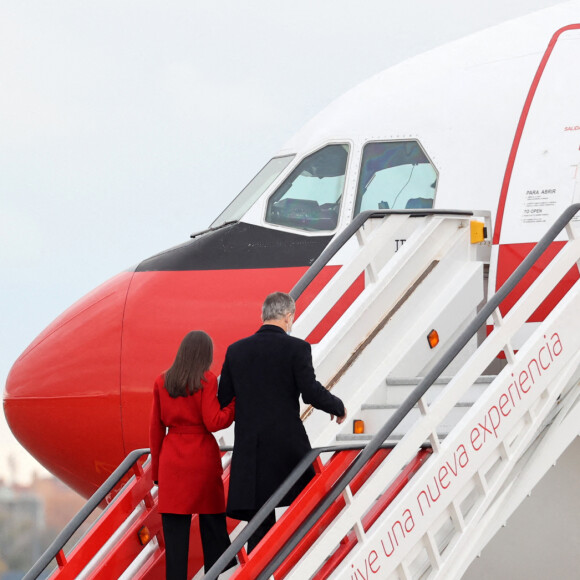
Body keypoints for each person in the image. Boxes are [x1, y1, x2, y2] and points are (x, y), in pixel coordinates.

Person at [218, 291, 347, 553]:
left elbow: (223, 399)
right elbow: (310, 391)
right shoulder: (297, 348)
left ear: (263, 316)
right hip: (286, 447)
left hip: (250, 451)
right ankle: (313, 555)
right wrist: (337, 406)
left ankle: (261, 570)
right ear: (288, 317)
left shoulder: (236, 351)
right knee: (311, 498)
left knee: (259, 520)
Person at [149, 330, 236, 579]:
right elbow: (213, 421)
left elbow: (155, 430)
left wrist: (157, 474)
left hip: (172, 462)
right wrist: (233, 406)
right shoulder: (207, 380)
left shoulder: (161, 381)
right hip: (202, 462)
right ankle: (216, 576)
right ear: (204, 354)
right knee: (214, 532)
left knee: (176, 541)